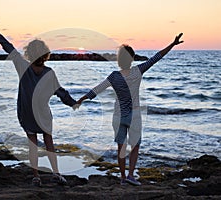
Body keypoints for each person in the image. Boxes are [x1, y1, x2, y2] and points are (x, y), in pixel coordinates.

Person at [76, 33, 184, 186]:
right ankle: (131, 175)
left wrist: (81, 99)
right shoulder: (137, 71)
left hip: (118, 116)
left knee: (121, 147)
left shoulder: (114, 76)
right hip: (134, 115)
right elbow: (156, 57)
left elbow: (97, 89)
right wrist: (172, 44)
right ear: (132, 58)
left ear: (119, 60)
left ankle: (122, 178)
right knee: (134, 146)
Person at [0, 21, 77, 186]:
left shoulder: (23, 66)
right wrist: (73, 103)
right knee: (49, 142)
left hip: (27, 112)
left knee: (32, 144)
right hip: (42, 113)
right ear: (45, 55)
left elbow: (11, 50)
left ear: (29, 54)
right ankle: (56, 173)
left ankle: (36, 176)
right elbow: (61, 92)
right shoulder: (49, 73)